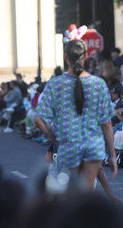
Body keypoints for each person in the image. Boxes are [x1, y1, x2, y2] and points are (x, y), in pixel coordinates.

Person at [34, 39, 117, 189]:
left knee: (72, 193)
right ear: (85, 56)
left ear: (66, 56)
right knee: (87, 191)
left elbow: (38, 119)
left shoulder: (55, 83)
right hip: (93, 146)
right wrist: (112, 154)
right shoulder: (98, 83)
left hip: (68, 145)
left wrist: (55, 139)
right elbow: (106, 122)